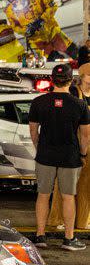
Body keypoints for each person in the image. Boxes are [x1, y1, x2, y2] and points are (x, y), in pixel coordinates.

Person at [30, 63, 90, 250]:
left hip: (45, 155)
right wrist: (82, 153)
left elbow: (33, 131)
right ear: (71, 80)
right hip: (70, 157)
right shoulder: (80, 105)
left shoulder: (39, 102)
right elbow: (86, 135)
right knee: (68, 197)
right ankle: (69, 239)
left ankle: (40, 236)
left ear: (51, 80)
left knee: (43, 195)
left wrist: (39, 148)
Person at [48, 63, 90, 229]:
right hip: (72, 143)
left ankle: (83, 220)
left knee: (86, 184)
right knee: (65, 184)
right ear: (82, 76)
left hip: (88, 143)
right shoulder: (73, 92)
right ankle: (59, 219)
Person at [0, 0, 78, 59]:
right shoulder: (9, 11)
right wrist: (27, 30)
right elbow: (15, 27)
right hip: (37, 42)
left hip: (53, 32)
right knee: (53, 62)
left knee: (74, 52)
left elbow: (52, 6)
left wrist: (42, 20)